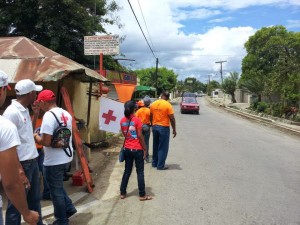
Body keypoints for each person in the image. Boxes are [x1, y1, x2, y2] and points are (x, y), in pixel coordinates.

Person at [0, 70, 39, 225]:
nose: (36, 95)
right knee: (16, 204)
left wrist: (35, 115)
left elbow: (27, 134)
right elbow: (8, 147)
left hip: (32, 159)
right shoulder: (10, 114)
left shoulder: (24, 110)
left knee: (34, 200)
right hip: (22, 163)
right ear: (30, 94)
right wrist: (18, 170)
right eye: (35, 92)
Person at [33, 90, 77, 225]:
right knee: (57, 186)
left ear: (43, 102)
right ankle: (69, 207)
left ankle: (61, 220)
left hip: (53, 161)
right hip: (66, 158)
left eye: (39, 102)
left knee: (55, 192)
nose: (38, 105)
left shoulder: (48, 116)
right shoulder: (66, 113)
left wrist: (35, 136)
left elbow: (46, 142)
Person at [119, 100, 153, 201]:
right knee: (140, 172)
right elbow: (140, 136)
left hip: (127, 149)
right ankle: (142, 195)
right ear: (134, 109)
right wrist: (145, 149)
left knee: (127, 171)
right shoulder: (137, 120)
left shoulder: (122, 121)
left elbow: (125, 135)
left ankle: (122, 193)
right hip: (137, 149)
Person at [150, 91, 177, 170]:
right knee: (163, 147)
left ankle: (154, 163)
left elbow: (151, 115)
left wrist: (152, 124)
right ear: (168, 97)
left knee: (155, 145)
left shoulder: (153, 104)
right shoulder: (168, 105)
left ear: (161, 95)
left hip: (155, 127)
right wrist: (174, 129)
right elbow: (172, 118)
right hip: (164, 128)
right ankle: (160, 165)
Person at [135, 96, 151, 163]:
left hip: (140, 127)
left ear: (143, 103)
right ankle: (146, 157)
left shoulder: (138, 111)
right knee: (146, 142)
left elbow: (135, 120)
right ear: (149, 103)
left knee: (139, 141)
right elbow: (151, 119)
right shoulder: (149, 111)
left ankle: (139, 156)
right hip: (147, 127)